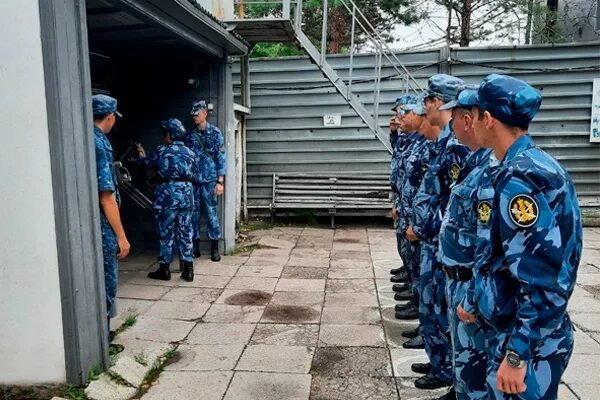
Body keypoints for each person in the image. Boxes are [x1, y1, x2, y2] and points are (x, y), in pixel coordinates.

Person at [461, 74, 583, 400]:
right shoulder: (527, 164)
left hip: (529, 342)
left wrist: (516, 355)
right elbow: (498, 254)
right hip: (517, 332)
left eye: (476, 115)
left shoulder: (521, 177)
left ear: (488, 119)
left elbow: (542, 279)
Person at [407, 74, 471, 390]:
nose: (425, 108)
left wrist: (427, 227)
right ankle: (441, 365)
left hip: (444, 244)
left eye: (428, 101)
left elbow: (456, 204)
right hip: (434, 242)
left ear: (436, 102)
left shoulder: (456, 146)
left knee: (444, 314)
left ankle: (448, 372)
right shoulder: (443, 142)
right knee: (432, 306)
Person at [436, 86, 493, 400]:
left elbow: (490, 245)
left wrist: (472, 298)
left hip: (472, 287)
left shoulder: (489, 169)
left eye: (454, 119)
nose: (451, 126)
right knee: (464, 364)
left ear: (468, 120)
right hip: (457, 279)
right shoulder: (474, 162)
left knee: (475, 372)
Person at [136, 118, 197, 282]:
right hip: (187, 195)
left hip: (167, 195)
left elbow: (146, 163)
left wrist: (141, 154)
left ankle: (165, 270)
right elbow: (195, 172)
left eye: (165, 134)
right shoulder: (191, 153)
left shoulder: (161, 150)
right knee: (185, 231)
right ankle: (189, 270)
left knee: (166, 232)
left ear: (169, 134)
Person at [92, 94, 130, 337]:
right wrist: (121, 237)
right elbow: (106, 196)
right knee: (107, 278)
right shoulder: (99, 144)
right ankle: (103, 339)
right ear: (109, 117)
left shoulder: (89, 138)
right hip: (103, 223)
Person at [186, 100, 226, 262]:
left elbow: (221, 157)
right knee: (193, 214)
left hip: (210, 180)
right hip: (194, 181)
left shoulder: (215, 133)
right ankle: (195, 247)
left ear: (205, 113)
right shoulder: (189, 135)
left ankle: (214, 248)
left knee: (211, 214)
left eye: (197, 114)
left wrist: (220, 181)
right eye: (193, 115)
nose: (194, 117)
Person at [389, 94, 415, 285]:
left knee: (410, 246)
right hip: (402, 198)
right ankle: (408, 271)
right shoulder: (405, 139)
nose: (398, 116)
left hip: (410, 205)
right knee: (402, 241)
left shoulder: (417, 141)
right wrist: (393, 133)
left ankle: (411, 281)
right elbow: (397, 155)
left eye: (401, 112)